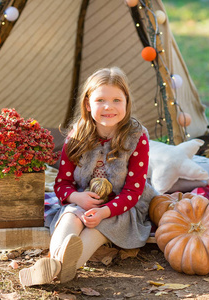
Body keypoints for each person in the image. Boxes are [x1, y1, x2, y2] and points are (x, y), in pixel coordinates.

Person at [19, 67, 158, 286]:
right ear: (87, 104)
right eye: (100, 100)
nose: (108, 107)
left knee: (98, 228)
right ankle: (58, 267)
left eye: (116, 100)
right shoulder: (77, 136)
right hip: (84, 200)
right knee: (71, 216)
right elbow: (62, 184)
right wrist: (77, 198)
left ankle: (53, 269)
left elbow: (133, 192)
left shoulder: (136, 137)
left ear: (127, 103)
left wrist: (103, 211)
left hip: (121, 207)